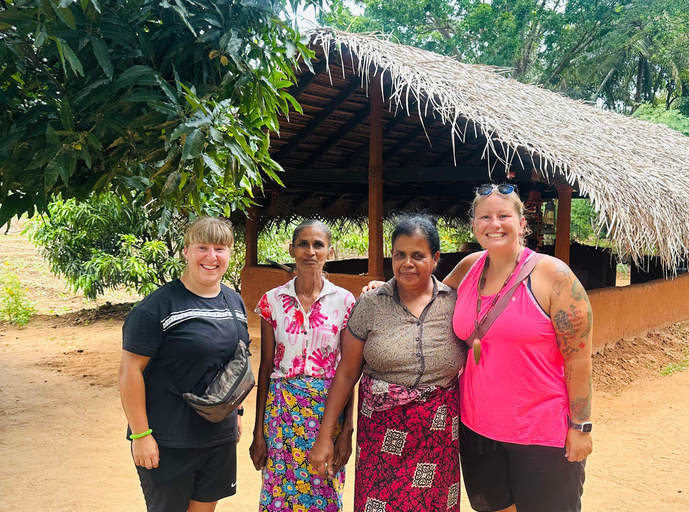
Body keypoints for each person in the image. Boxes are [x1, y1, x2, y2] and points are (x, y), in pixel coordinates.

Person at [446, 183, 593, 512]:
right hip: (477, 429)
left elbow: (579, 360)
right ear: (473, 225)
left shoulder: (554, 277)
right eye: (484, 217)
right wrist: (383, 288)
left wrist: (580, 426)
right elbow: (427, 299)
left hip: (541, 432)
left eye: (503, 216)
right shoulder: (468, 268)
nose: (494, 224)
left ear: (521, 223)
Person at [309, 214, 467, 512]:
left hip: (438, 438)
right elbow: (346, 373)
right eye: (400, 255)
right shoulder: (370, 303)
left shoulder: (454, 303)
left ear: (435, 259)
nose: (407, 263)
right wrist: (325, 436)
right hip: (381, 438)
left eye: (418, 255)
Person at [118, 217, 248, 512]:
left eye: (220, 248)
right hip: (169, 440)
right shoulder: (157, 308)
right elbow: (129, 372)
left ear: (229, 253)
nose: (211, 257)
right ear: (186, 252)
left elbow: (235, 362)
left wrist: (236, 411)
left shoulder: (234, 302)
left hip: (217, 437)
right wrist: (141, 435)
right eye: (202, 247)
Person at [250, 219, 356, 512]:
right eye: (303, 244)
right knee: (279, 495)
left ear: (330, 252)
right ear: (292, 249)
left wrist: (347, 430)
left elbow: (348, 369)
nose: (310, 251)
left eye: (318, 245)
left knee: (325, 491)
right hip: (281, 414)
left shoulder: (345, 302)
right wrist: (258, 431)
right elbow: (266, 367)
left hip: (327, 413)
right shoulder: (272, 300)